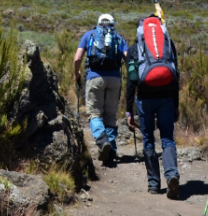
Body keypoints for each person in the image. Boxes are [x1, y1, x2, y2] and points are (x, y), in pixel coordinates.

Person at [125, 13, 181, 199]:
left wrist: (128, 110)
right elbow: (176, 76)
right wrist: (176, 105)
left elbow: (131, 82)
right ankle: (171, 174)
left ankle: (154, 184)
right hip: (167, 97)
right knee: (167, 139)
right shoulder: (168, 45)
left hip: (144, 99)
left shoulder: (135, 48)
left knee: (148, 139)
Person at [73, 13, 128, 166]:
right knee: (110, 115)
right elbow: (128, 59)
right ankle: (110, 151)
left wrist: (77, 74)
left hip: (94, 78)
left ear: (98, 23)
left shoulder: (89, 35)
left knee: (94, 114)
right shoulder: (119, 38)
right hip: (115, 79)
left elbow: (77, 58)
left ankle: (103, 141)